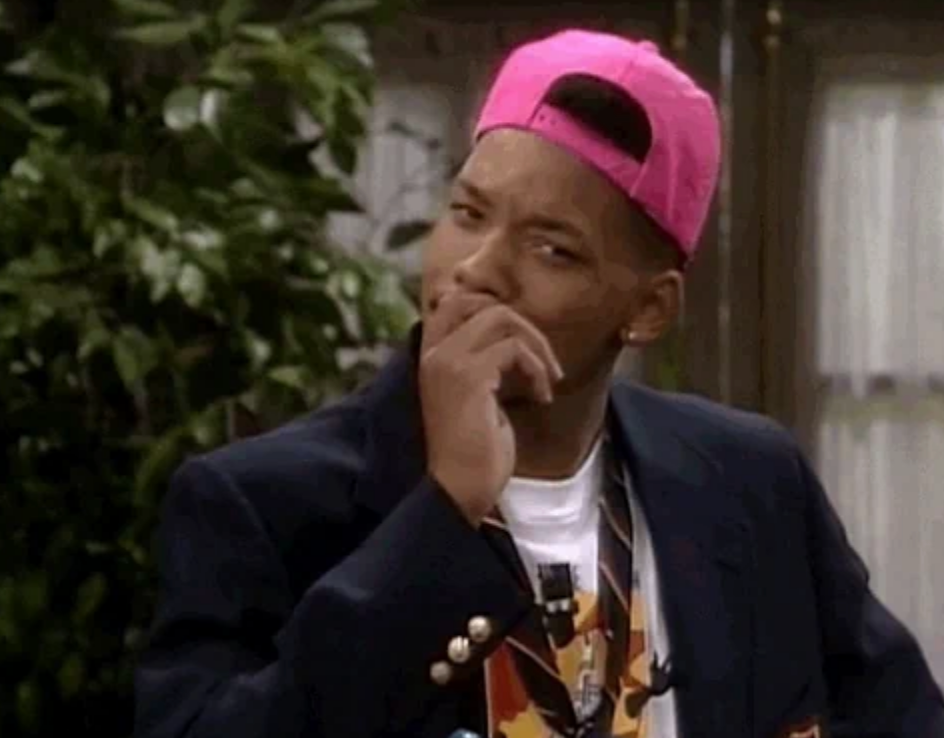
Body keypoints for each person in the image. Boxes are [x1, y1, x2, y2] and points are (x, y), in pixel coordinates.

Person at [134, 28, 944, 738]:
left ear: (649, 309)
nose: (476, 270)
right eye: (468, 213)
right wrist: (442, 514)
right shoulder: (261, 505)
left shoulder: (750, 484)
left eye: (552, 248)